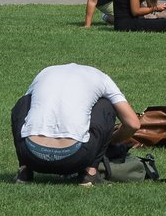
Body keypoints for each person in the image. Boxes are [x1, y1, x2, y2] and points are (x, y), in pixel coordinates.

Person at [12, 62, 142, 185]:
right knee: (106, 105)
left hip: (31, 156)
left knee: (24, 102)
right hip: (76, 158)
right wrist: (110, 142)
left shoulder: (45, 73)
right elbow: (133, 124)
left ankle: (24, 170)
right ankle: (89, 172)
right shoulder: (102, 78)